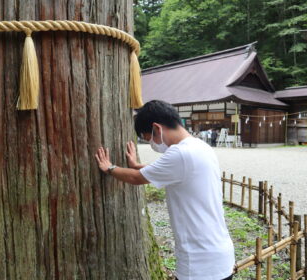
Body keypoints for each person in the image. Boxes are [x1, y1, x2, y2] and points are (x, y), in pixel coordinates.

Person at [95, 100, 235, 280]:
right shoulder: (200, 147)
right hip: (218, 255)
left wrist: (109, 168)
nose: (153, 144)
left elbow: (136, 179)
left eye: (149, 138)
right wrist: (137, 165)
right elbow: (169, 171)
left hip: (200, 263)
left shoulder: (180, 153)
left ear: (157, 128)